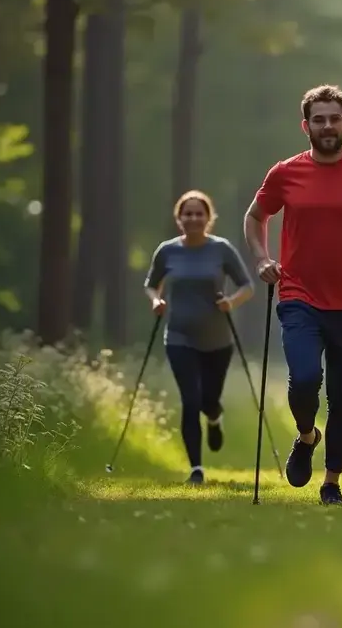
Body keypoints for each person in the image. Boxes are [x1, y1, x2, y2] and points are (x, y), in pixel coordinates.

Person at [244, 84, 342, 507]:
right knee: (304, 380)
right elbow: (256, 215)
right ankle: (305, 435)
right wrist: (262, 259)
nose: (328, 126)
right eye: (319, 119)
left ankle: (332, 482)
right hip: (299, 295)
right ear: (306, 126)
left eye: (335, 118)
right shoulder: (285, 172)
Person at [143, 189, 254, 485]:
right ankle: (196, 469)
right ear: (179, 218)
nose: (193, 218)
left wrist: (231, 302)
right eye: (187, 213)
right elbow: (151, 284)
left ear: (208, 218)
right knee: (190, 401)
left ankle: (215, 418)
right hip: (179, 336)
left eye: (199, 213)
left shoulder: (221, 249)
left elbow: (247, 286)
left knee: (208, 401)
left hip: (218, 340)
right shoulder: (167, 251)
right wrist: (156, 300)